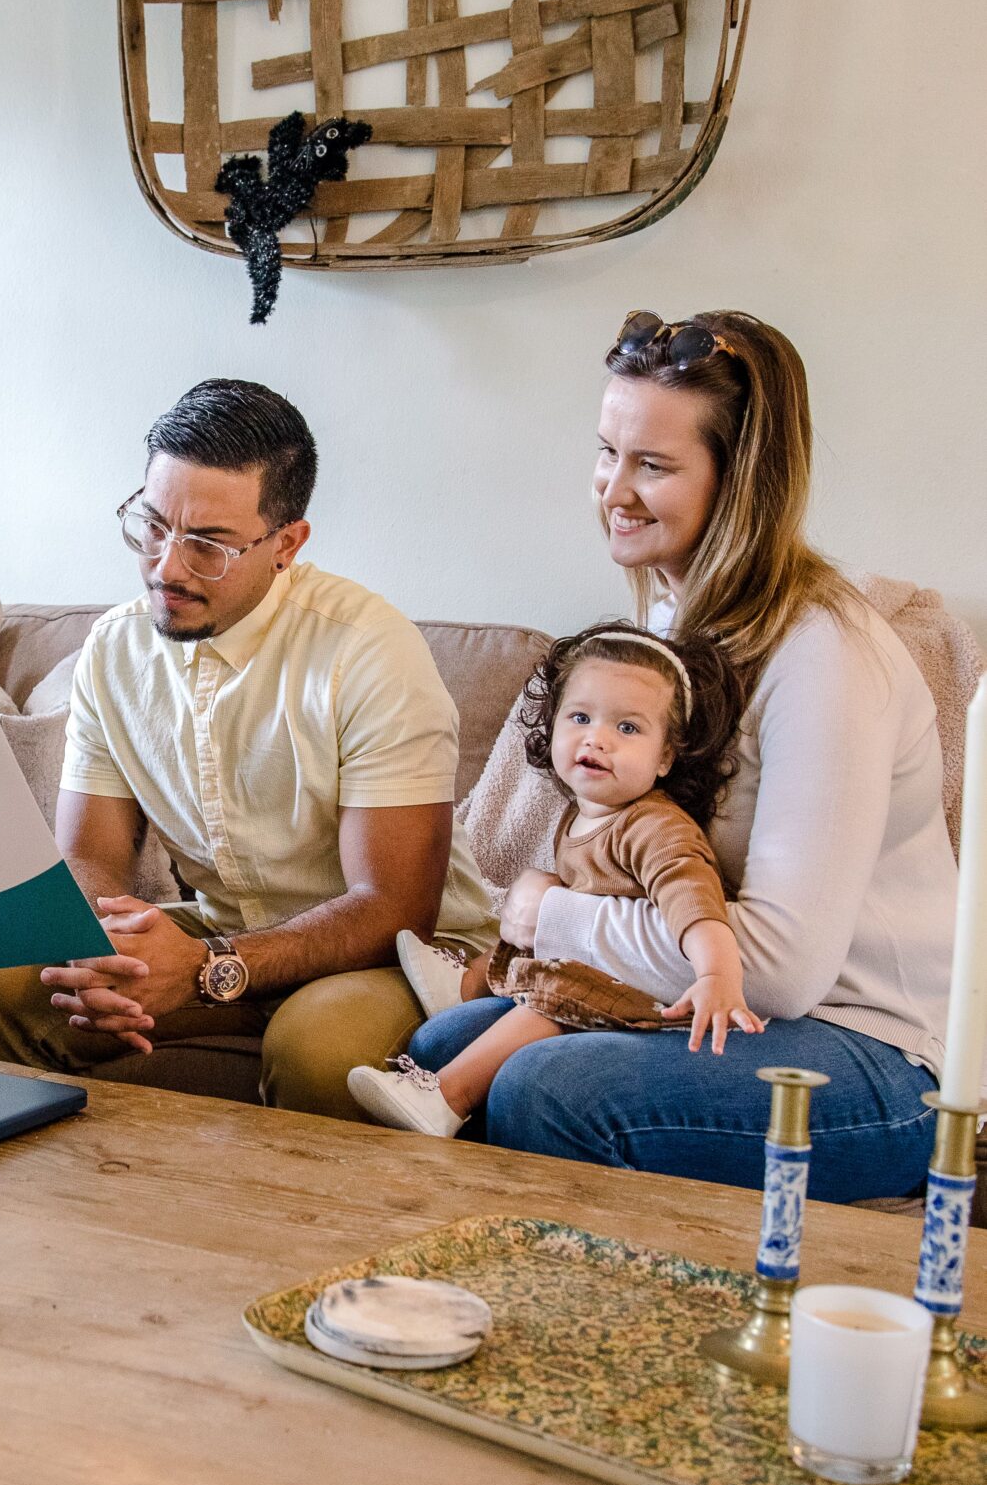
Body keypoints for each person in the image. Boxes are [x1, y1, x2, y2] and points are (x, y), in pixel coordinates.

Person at [391, 308, 958, 1203]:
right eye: (607, 452)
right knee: (440, 1049)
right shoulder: (672, 625)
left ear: (740, 486)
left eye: (651, 465)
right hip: (740, 1011)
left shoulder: (825, 659)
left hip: (876, 1055)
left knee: (550, 1088)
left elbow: (778, 968)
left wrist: (553, 916)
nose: (612, 489)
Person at [0, 378, 497, 1115]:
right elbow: (90, 860)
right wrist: (96, 953)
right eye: (151, 525)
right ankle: (52, 1219)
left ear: (286, 544)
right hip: (222, 930)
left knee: (320, 1046)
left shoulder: (368, 652)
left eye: (206, 544)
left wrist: (207, 970)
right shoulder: (114, 649)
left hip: (403, 956)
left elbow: (392, 907)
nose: (166, 567)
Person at [348, 622, 759, 1137]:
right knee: (539, 916)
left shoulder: (655, 828)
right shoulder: (583, 812)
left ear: (666, 758)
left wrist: (717, 978)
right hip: (588, 971)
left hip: (636, 993)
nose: (597, 738)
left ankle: (446, 1097)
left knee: (549, 1002)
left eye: (628, 728)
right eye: (581, 717)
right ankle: (462, 985)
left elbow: (694, 905)